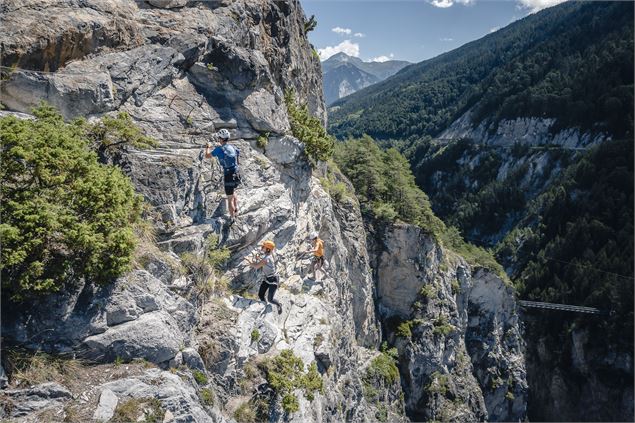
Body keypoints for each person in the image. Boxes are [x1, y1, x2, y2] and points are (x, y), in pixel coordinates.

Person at [205, 128, 240, 222]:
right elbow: (237, 154)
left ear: (220, 139)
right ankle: (236, 209)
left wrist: (208, 147)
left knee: (229, 199)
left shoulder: (219, 149)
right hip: (236, 173)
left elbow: (207, 156)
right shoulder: (232, 147)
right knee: (232, 192)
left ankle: (232, 217)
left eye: (219, 138)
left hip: (228, 175)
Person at [249, 240, 283, 314]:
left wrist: (249, 262)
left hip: (273, 279)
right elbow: (263, 262)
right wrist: (258, 259)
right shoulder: (268, 256)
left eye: (263, 247)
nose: (262, 248)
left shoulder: (267, 258)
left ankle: (278, 304)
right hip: (268, 278)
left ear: (268, 249)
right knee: (260, 294)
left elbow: (257, 266)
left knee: (270, 299)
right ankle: (264, 306)